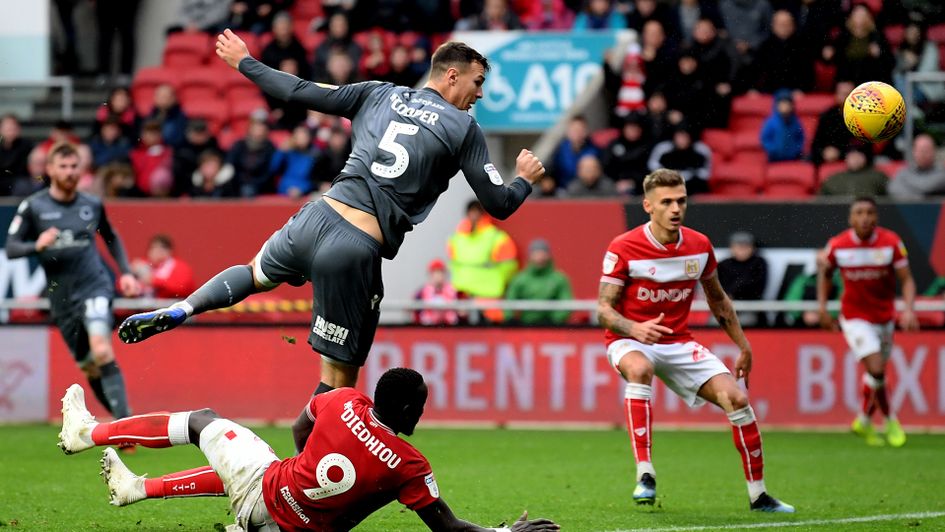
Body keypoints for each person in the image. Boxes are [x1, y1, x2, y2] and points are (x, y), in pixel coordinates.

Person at [119, 35, 545, 453]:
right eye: (477, 83)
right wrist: (524, 178)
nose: (480, 94)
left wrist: (245, 62)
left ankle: (185, 307)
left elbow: (299, 90)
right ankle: (302, 475)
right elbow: (499, 204)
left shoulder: (377, 93)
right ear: (452, 76)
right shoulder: (463, 127)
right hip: (355, 247)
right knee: (339, 386)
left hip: (316, 216)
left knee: (252, 273)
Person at [57, 368, 561, 532]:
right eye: (422, 405)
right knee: (255, 473)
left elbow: (302, 427)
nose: (423, 412)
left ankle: (91, 433)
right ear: (410, 412)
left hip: (270, 494)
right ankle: (134, 485)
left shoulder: (344, 401)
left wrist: (308, 461)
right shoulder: (410, 466)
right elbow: (449, 529)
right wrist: (505, 531)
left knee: (204, 423)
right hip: (287, 523)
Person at [596, 168, 794, 513]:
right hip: (630, 340)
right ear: (648, 206)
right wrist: (634, 329)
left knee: (737, 399)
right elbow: (604, 310)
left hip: (678, 342)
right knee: (640, 370)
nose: (676, 208)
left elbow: (718, 300)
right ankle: (645, 474)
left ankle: (759, 495)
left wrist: (743, 345)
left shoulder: (699, 246)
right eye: (667, 202)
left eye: (681, 200)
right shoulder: (623, 246)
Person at [5, 142, 138, 421]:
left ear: (81, 170)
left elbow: (111, 238)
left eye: (74, 166)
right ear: (50, 169)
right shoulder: (33, 207)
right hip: (62, 297)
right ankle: (120, 421)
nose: (69, 172)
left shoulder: (91, 204)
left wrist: (125, 272)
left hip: (95, 285)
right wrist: (36, 245)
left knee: (102, 349)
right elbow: (13, 246)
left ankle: (125, 424)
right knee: (89, 366)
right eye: (63, 166)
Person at [817, 197, 918, 447]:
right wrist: (821, 308)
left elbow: (906, 280)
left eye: (870, 212)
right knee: (876, 368)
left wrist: (908, 310)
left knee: (876, 375)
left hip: (885, 317)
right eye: (859, 213)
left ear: (877, 217)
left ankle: (863, 420)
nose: (865, 218)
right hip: (854, 317)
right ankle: (890, 419)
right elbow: (825, 275)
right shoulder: (838, 245)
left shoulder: (891, 243)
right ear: (851, 219)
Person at [448, 200, 519, 302]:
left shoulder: (497, 238)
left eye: (477, 212)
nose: (474, 216)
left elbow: (509, 267)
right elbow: (454, 265)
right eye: (471, 212)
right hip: (463, 295)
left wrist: (496, 283)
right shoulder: (456, 238)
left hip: (489, 296)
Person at [505, 239, 573, 325]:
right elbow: (509, 302)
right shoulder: (520, 280)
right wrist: (511, 321)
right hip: (525, 326)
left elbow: (566, 303)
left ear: (549, 255)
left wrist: (554, 321)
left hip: (552, 328)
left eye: (543, 253)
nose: (540, 257)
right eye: (536, 253)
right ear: (530, 256)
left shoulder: (559, 279)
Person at [717, 231, 768, 327]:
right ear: (731, 248)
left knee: (744, 323)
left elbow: (757, 287)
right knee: (714, 323)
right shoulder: (723, 265)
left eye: (745, 247)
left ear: (752, 248)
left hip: (750, 308)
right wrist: (725, 296)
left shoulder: (758, 263)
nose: (742, 250)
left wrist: (732, 294)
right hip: (725, 308)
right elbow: (716, 286)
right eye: (738, 246)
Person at [647, 126, 712, 194]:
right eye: (679, 137)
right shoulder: (664, 149)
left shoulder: (700, 150)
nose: (681, 140)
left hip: (693, 186)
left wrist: (691, 174)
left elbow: (706, 172)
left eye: (684, 137)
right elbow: (653, 166)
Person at [132, 234, 196, 300]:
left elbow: (183, 288)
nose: (157, 252)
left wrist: (154, 281)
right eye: (154, 248)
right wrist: (131, 274)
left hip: (169, 307)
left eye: (161, 249)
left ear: (169, 251)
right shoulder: (142, 264)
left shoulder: (179, 267)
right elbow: (125, 288)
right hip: (142, 308)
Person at [810, 80, 856, 166]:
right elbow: (815, 146)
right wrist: (824, 152)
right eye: (843, 94)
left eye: (850, 94)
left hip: (852, 162)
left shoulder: (861, 117)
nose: (847, 98)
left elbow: (864, 146)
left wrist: (857, 155)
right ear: (836, 95)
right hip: (828, 161)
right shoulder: (827, 116)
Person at [818, 143, 887, 197]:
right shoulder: (834, 179)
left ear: (866, 157)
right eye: (852, 154)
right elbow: (820, 202)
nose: (855, 158)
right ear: (846, 158)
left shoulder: (878, 177)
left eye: (859, 154)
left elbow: (890, 200)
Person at [888, 133, 945, 199]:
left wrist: (907, 185)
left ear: (934, 151)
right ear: (914, 151)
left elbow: (926, 186)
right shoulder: (904, 171)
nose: (923, 154)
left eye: (926, 150)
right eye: (920, 150)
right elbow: (892, 189)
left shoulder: (942, 172)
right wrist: (919, 197)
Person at [760, 90, 804, 163]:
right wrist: (773, 150)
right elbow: (765, 138)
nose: (785, 107)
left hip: (793, 159)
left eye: (788, 104)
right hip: (774, 159)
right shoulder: (771, 122)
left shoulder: (796, 122)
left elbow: (800, 137)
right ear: (777, 105)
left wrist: (795, 150)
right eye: (782, 104)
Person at [414, 259, 462, 326]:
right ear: (430, 274)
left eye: (441, 272)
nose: (438, 276)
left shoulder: (454, 290)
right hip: (429, 327)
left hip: (449, 327)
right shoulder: (422, 292)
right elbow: (415, 310)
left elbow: (462, 311)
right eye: (435, 272)